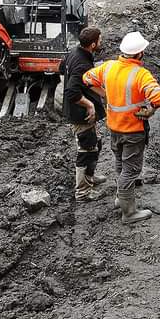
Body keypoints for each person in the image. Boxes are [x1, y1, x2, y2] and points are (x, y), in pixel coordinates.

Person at [82, 32, 160, 224]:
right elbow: (158, 97)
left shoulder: (109, 67)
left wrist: (105, 94)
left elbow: (87, 78)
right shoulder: (140, 74)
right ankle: (129, 213)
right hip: (133, 130)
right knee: (131, 169)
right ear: (140, 54)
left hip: (115, 128)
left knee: (120, 163)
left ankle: (121, 198)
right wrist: (150, 110)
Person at [61, 27, 107, 201]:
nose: (101, 43)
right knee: (86, 149)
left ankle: (90, 177)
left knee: (96, 143)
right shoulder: (82, 62)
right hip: (81, 114)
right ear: (93, 44)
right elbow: (72, 92)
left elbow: (62, 69)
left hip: (78, 113)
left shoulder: (74, 53)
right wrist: (89, 105)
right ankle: (83, 192)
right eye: (100, 41)